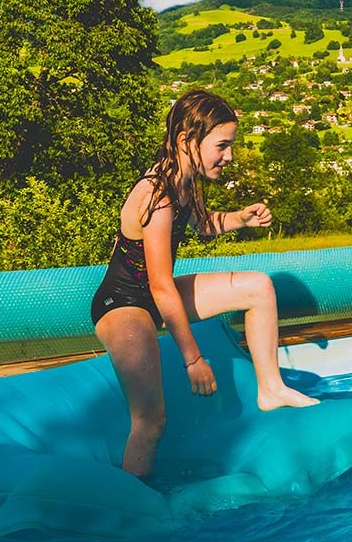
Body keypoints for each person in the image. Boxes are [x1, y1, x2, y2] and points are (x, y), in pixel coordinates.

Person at [91, 88, 316, 476]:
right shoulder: (157, 194)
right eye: (222, 146)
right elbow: (161, 286)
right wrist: (193, 359)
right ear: (186, 141)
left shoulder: (184, 181)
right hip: (123, 303)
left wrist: (240, 219)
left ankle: (271, 389)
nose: (229, 157)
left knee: (259, 287)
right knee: (151, 421)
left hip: (153, 293)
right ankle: (133, 507)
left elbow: (201, 223)